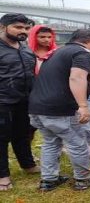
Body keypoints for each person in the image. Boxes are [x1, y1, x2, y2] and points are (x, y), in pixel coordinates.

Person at [28, 29, 90, 191]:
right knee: (79, 143)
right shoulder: (83, 53)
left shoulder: (59, 52)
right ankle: (83, 179)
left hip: (38, 108)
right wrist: (83, 106)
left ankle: (49, 180)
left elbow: (89, 76)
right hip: (61, 109)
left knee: (51, 143)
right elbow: (77, 77)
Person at [0, 13, 40, 191]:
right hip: (2, 102)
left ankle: (28, 164)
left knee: (23, 135)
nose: (23, 31)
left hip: (25, 101)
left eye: (26, 28)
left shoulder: (25, 48)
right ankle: (2, 175)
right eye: (18, 27)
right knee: (1, 139)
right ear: (3, 27)